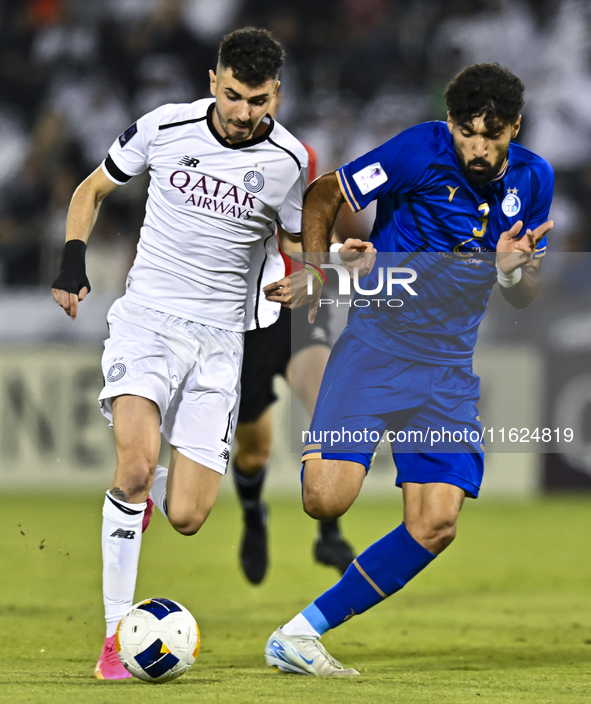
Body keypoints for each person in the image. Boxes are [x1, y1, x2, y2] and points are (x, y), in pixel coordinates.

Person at [264, 62, 554, 676]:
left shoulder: (534, 180)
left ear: (515, 128)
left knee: (436, 522)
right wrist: (319, 271)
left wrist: (509, 267)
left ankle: (300, 633)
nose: (477, 148)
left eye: (492, 135)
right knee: (326, 500)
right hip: (377, 344)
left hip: (448, 368)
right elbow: (325, 194)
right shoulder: (418, 150)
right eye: (467, 133)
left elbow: (525, 293)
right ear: (450, 124)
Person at [51, 27, 311, 681]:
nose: (244, 113)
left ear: (275, 93)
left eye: (257, 100)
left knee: (190, 515)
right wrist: (71, 262)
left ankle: (130, 508)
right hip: (148, 324)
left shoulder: (288, 161)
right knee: (135, 469)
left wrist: (300, 277)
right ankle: (114, 638)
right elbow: (90, 191)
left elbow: (302, 246)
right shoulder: (163, 127)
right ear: (211, 81)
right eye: (232, 96)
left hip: (222, 344)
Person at [233, 97, 355, 585]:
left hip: (300, 304)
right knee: (254, 450)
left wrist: (335, 256)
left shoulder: (299, 156)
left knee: (325, 396)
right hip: (248, 314)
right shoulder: (214, 160)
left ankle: (330, 531)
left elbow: (307, 229)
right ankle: (252, 519)